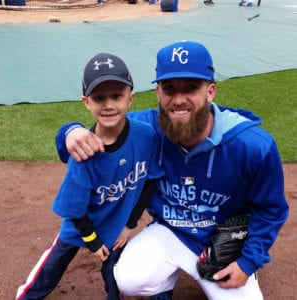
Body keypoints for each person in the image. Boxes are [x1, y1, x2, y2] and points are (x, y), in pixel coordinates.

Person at [54, 41, 289, 300]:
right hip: (170, 231)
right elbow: (92, 139)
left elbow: (271, 210)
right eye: (169, 89)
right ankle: (163, 287)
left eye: (190, 88)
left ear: (210, 91)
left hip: (222, 243)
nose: (178, 100)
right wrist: (70, 132)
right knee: (129, 279)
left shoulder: (252, 145)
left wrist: (248, 262)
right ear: (157, 92)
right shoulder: (145, 130)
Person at [16, 52, 164, 300]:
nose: (108, 105)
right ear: (86, 102)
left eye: (117, 96)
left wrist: (129, 225)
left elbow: (149, 181)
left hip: (116, 225)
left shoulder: (146, 135)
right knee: (52, 267)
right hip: (80, 225)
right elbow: (73, 209)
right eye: (99, 97)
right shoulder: (83, 152)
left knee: (114, 278)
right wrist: (92, 241)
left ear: (131, 98)